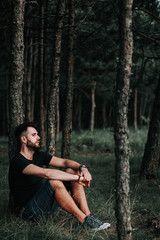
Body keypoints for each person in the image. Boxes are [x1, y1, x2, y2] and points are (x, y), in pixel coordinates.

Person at [8, 122, 111, 231]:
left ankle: (89, 216)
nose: (38, 137)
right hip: (28, 212)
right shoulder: (18, 161)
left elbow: (65, 162)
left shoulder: (38, 155)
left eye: (37, 134)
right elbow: (47, 173)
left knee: (73, 170)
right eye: (34, 135)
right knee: (54, 182)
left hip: (44, 205)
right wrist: (78, 178)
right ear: (23, 139)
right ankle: (84, 220)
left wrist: (83, 168)